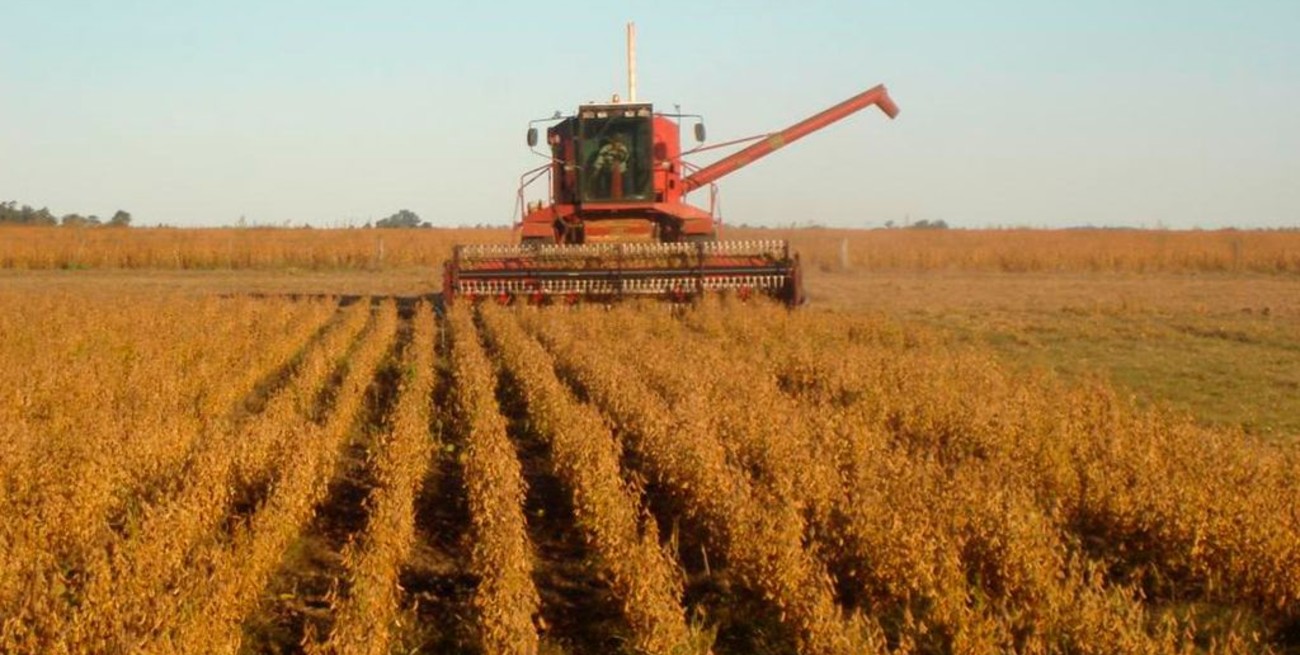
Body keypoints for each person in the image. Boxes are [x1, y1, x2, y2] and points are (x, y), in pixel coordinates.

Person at [591, 134, 630, 199]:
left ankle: (624, 197)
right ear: (612, 140)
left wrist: (616, 151)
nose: (617, 142)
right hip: (608, 171)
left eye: (619, 140)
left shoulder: (623, 148)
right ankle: (608, 197)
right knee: (608, 186)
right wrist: (597, 169)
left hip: (621, 172)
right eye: (615, 140)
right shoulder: (606, 148)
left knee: (624, 186)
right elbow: (600, 159)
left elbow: (623, 157)